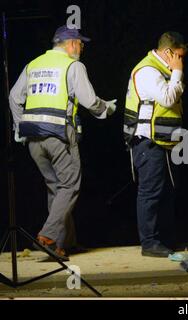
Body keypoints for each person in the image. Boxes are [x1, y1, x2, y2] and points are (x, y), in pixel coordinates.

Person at [9, 26, 117, 261]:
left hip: (33, 140)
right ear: (70, 44)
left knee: (55, 187)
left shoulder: (33, 65)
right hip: (59, 134)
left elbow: (13, 98)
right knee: (70, 185)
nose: (82, 48)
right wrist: (106, 109)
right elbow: (89, 100)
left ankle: (63, 243)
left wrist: (20, 127)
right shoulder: (73, 65)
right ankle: (48, 236)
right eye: (80, 43)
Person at [123, 32, 188, 257]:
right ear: (169, 52)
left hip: (165, 141)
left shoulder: (162, 70)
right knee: (150, 193)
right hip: (148, 142)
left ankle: (167, 239)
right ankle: (149, 243)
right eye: (179, 56)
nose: (181, 61)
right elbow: (169, 98)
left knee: (167, 192)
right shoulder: (148, 71)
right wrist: (178, 73)